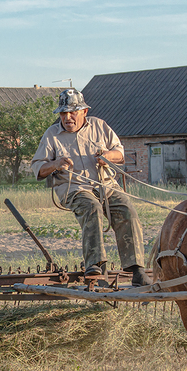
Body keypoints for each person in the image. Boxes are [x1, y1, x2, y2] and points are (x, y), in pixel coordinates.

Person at [30, 87, 149, 286]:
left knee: (127, 210)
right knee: (91, 207)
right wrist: (56, 163)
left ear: (84, 111)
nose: (67, 117)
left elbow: (120, 153)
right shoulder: (52, 134)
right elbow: (37, 168)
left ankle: (136, 269)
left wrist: (107, 156)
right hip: (74, 188)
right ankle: (95, 266)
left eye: (72, 112)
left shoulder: (100, 126)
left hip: (106, 185)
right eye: (63, 113)